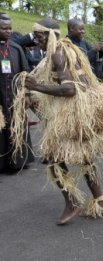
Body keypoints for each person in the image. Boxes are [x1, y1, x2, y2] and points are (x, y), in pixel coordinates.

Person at [11, 18, 103, 225]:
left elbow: (69, 90)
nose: (35, 40)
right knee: (85, 158)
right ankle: (101, 201)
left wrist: (36, 87)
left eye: (39, 36)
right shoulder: (67, 49)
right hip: (78, 112)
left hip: (73, 113)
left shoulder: (59, 53)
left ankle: (72, 203)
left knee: (53, 160)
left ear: (50, 35)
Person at [0, 16, 34, 173]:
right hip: (0, 97)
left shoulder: (16, 48)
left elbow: (25, 74)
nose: (9, 31)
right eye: (4, 28)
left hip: (16, 97)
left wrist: (27, 95)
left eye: (9, 28)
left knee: (17, 126)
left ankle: (19, 161)